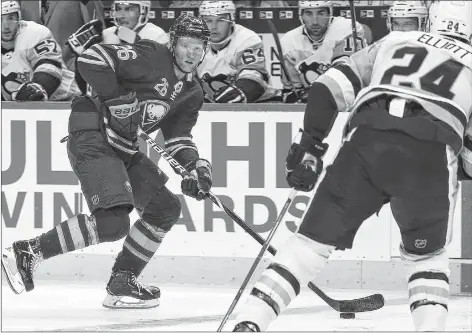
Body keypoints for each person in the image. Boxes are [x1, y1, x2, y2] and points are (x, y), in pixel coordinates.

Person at [232, 0, 472, 331]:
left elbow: (325, 89)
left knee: (308, 246)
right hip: (432, 150)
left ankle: (250, 321)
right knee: (427, 259)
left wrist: (310, 147)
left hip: (365, 140)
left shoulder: (394, 41)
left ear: (430, 21)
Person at [2, 14, 213, 310]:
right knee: (113, 222)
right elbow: (91, 58)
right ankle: (27, 252)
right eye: (187, 46)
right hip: (93, 134)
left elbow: (178, 139)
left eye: (198, 48)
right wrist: (117, 98)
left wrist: (196, 167)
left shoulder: (192, 93)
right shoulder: (151, 55)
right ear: (174, 44)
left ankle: (122, 282)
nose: (192, 54)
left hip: (122, 147)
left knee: (164, 208)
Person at [66, 0, 168, 94]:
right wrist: (82, 53)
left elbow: (160, 75)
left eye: (129, 9)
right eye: (119, 9)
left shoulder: (157, 35)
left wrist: (132, 41)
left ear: (143, 11)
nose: (122, 15)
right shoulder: (106, 34)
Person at [280, 0, 366, 103]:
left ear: (330, 13)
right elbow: (291, 91)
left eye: (321, 13)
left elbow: (348, 74)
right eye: (308, 13)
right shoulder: (289, 41)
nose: (315, 21)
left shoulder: (347, 29)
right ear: (301, 15)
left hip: (348, 97)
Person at [197, 0, 279, 103]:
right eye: (208, 20)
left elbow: (254, 78)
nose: (214, 27)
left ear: (231, 20)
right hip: (215, 104)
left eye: (221, 20)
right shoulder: (191, 43)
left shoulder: (247, 39)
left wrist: (240, 91)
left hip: (258, 103)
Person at [1, 0, 81, 101]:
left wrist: (38, 87)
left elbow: (49, 67)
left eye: (11, 18)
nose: (5, 26)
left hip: (62, 102)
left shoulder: (35, 32)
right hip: (18, 105)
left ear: (19, 17)